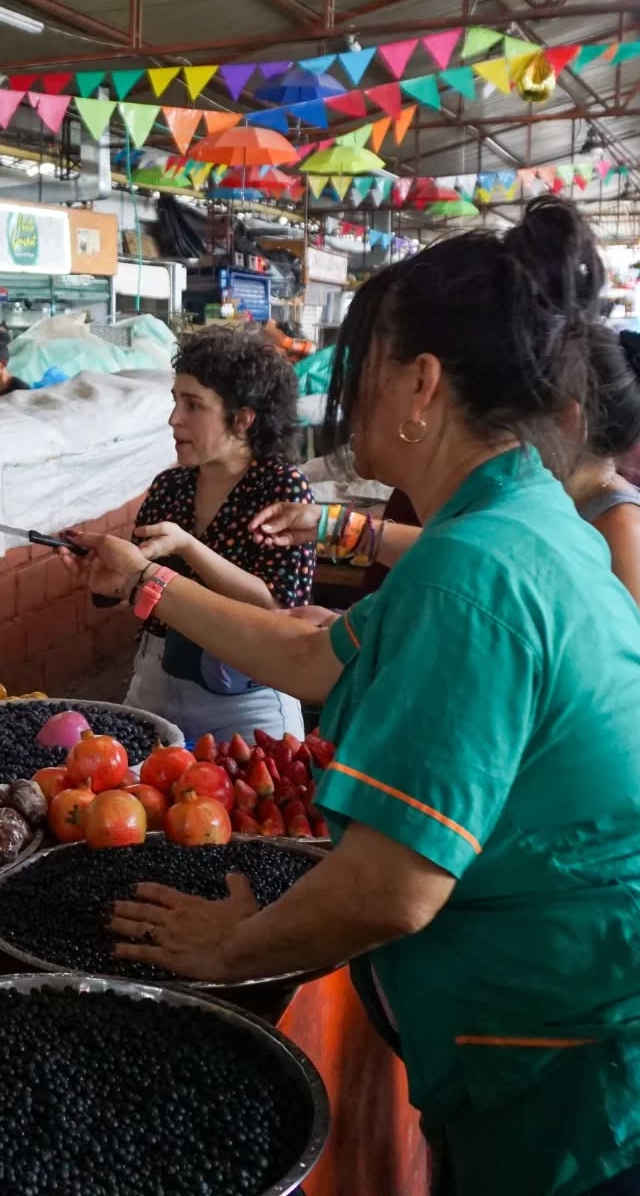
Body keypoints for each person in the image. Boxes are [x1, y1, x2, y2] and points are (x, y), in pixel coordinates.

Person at [61, 206, 640, 1196]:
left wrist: (233, 947)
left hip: (560, 1077)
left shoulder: (474, 572)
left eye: (361, 362)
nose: (342, 395)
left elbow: (392, 885)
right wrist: (151, 584)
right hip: (565, 1035)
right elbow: (319, 654)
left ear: (421, 382)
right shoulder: (516, 524)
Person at [251, 321, 640, 604]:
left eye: (518, 408)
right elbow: (468, 555)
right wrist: (333, 527)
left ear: (568, 422)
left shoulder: (620, 526)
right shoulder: (535, 499)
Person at [124, 327, 314, 743]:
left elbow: (278, 606)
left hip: (246, 692)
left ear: (243, 419)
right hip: (157, 678)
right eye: (175, 401)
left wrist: (189, 548)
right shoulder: (170, 486)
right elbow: (136, 584)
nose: (175, 419)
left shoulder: (280, 489)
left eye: (194, 406)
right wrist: (104, 569)